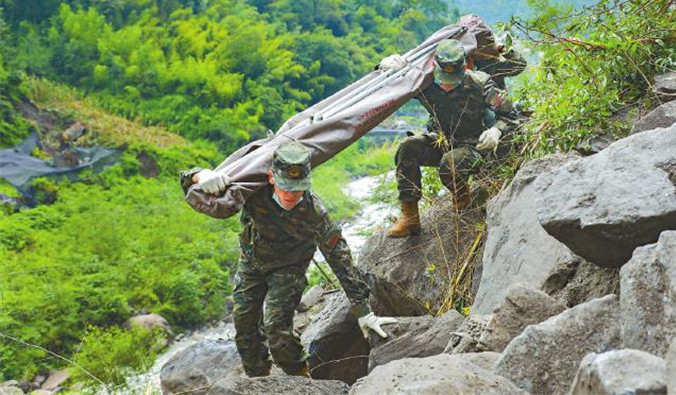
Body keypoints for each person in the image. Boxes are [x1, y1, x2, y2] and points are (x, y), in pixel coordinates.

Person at [180, 141, 397, 377]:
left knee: (277, 330)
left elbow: (339, 257)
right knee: (244, 325)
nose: (292, 194)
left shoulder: (314, 212)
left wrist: (364, 311)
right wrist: (200, 176)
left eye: (298, 188)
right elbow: (189, 181)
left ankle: (300, 377)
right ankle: (259, 378)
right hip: (253, 263)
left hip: (289, 268)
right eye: (286, 187)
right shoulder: (251, 189)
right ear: (271, 178)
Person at [378, 39, 515, 238]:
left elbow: (510, 114)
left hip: (475, 145)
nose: (447, 84)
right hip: (444, 140)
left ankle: (462, 200)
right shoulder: (423, 82)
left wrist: (496, 131)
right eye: (444, 78)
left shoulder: (480, 83)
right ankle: (410, 217)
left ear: (464, 66)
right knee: (408, 147)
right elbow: (390, 87)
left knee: (450, 163)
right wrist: (389, 68)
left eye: (453, 78)